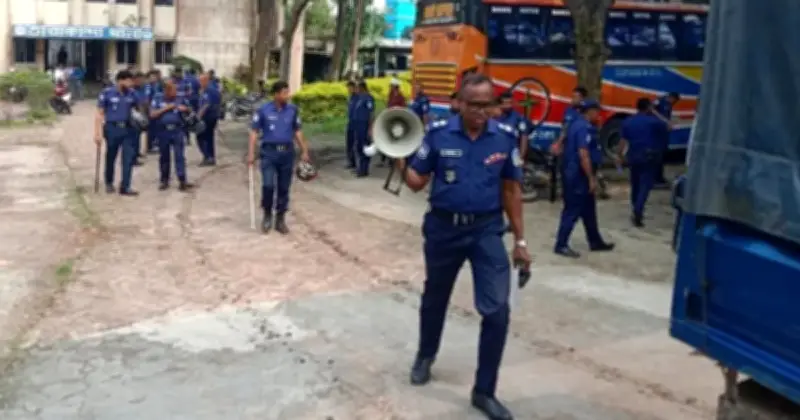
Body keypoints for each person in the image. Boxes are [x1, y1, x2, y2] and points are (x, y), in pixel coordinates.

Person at [398, 73, 530, 420]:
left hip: (486, 231)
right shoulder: (438, 134)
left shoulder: (504, 138)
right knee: (435, 297)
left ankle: (484, 391)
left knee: (497, 311)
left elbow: (511, 191)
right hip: (443, 230)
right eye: (474, 105)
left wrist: (520, 241)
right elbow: (416, 182)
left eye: (487, 105)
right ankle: (426, 354)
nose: (480, 112)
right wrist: (398, 156)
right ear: (459, 103)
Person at [553, 99, 615, 258]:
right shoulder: (583, 128)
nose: (599, 115)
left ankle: (595, 241)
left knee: (589, 210)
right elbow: (584, 154)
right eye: (597, 112)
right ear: (590, 111)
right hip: (578, 175)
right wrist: (591, 178)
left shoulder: (576, 124)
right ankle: (561, 244)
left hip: (576, 173)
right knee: (572, 210)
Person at [247, 80, 311, 235]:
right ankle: (267, 214)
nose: (287, 96)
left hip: (286, 154)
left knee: (283, 187)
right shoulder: (263, 110)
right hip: (269, 153)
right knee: (268, 185)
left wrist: (304, 150)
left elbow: (297, 131)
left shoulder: (292, 110)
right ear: (275, 94)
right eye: (284, 93)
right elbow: (254, 132)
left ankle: (280, 218)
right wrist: (251, 153)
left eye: (287, 92)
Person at [617, 98, 669, 227]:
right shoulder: (655, 122)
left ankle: (635, 206)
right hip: (650, 156)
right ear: (649, 107)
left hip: (633, 156)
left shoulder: (628, 122)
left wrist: (619, 156)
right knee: (645, 185)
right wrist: (656, 113)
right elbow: (669, 126)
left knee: (635, 184)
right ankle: (638, 210)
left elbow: (622, 141)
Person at [94, 70, 139, 196]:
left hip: (128, 129)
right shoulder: (107, 93)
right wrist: (97, 133)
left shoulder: (132, 93)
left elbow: (140, 108)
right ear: (120, 80)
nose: (131, 84)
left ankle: (125, 186)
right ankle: (109, 182)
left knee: (128, 158)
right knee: (111, 156)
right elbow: (99, 114)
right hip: (112, 128)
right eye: (128, 81)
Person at [150, 81, 194, 192]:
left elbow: (190, 110)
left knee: (179, 156)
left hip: (177, 130)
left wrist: (185, 109)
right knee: (164, 156)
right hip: (163, 131)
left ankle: (182, 180)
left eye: (176, 90)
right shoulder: (158, 98)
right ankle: (164, 180)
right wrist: (167, 108)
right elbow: (152, 114)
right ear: (166, 91)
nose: (175, 93)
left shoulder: (180, 98)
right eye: (173, 91)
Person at [652, 92, 680, 185]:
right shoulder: (659, 101)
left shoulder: (669, 105)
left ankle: (659, 177)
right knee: (657, 155)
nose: (674, 103)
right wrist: (664, 121)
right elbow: (652, 110)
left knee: (662, 154)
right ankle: (655, 178)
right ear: (671, 97)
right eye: (674, 101)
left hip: (663, 132)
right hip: (657, 132)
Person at [549, 86, 587, 156]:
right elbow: (565, 127)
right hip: (567, 145)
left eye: (575, 97)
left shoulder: (586, 112)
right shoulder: (569, 110)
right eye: (572, 97)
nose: (573, 99)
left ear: (582, 98)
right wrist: (558, 142)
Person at [495, 91, 531, 160]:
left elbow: (524, 137)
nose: (508, 106)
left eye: (510, 103)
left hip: (511, 155)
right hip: (494, 154)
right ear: (500, 104)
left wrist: (521, 157)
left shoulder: (518, 118)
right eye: (506, 103)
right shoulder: (493, 116)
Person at [197, 73, 222, 166]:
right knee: (209, 138)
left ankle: (208, 156)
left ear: (206, 80)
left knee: (201, 137)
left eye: (201, 81)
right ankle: (210, 157)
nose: (199, 83)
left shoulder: (210, 90)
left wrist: (199, 115)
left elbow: (207, 104)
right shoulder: (207, 90)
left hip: (209, 117)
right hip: (211, 116)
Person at [351, 80, 375, 177]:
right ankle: (360, 167)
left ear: (362, 88)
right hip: (358, 125)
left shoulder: (368, 98)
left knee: (365, 147)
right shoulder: (360, 98)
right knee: (359, 146)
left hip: (364, 125)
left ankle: (364, 169)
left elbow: (371, 113)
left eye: (358, 87)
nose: (356, 89)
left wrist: (370, 128)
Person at [144, 70, 163, 154]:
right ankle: (150, 146)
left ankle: (155, 144)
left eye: (155, 77)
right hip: (151, 110)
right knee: (151, 129)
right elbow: (147, 100)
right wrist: (150, 110)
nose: (154, 78)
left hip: (157, 110)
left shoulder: (157, 85)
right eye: (152, 77)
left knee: (156, 128)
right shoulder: (148, 86)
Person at [132, 72, 149, 165]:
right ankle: (133, 158)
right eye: (140, 80)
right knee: (134, 138)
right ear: (135, 80)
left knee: (138, 136)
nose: (142, 81)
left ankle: (136, 153)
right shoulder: (132, 90)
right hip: (134, 117)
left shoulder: (142, 89)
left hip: (142, 115)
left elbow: (145, 101)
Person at [344, 81, 358, 171]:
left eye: (350, 88)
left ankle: (356, 163)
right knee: (349, 143)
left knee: (355, 144)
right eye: (348, 88)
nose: (348, 89)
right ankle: (351, 162)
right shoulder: (350, 98)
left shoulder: (358, 97)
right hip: (350, 123)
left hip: (357, 124)